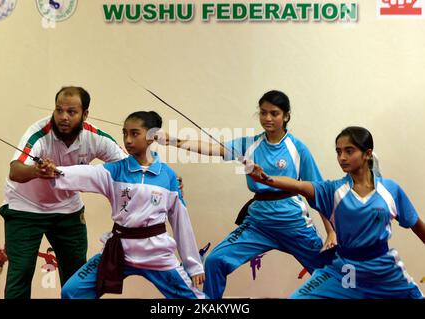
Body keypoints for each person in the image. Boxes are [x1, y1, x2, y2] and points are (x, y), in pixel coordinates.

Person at [157, 90, 336, 298]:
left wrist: (331, 232)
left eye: (274, 113)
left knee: (330, 273)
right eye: (263, 112)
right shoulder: (249, 144)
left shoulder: (297, 149)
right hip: (258, 223)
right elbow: (213, 148)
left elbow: (318, 192)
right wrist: (172, 141)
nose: (267, 118)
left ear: (286, 116)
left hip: (293, 223)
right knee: (215, 261)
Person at [248, 126, 425, 299]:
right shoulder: (332, 191)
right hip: (345, 269)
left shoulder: (390, 190)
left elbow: (417, 226)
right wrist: (267, 179)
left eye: (349, 151)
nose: (342, 157)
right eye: (338, 152)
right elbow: (299, 185)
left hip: (384, 271)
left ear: (367, 153)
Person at [44, 111, 206, 299]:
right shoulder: (115, 170)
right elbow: (86, 173)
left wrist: (193, 266)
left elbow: (181, 222)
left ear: (152, 136)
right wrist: (55, 171)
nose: (128, 140)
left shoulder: (168, 176)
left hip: (157, 254)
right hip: (119, 251)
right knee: (72, 291)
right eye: (125, 133)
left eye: (134, 133)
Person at [0, 86, 127, 299]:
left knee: (77, 275)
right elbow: (15, 171)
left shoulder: (95, 137)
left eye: (71, 112)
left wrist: (163, 179)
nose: (63, 117)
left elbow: (128, 167)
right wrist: (37, 170)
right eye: (59, 110)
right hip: (24, 208)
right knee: (20, 272)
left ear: (84, 114)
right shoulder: (39, 133)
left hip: (68, 210)